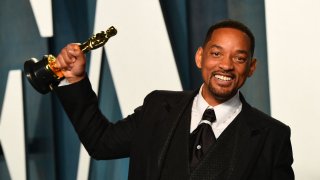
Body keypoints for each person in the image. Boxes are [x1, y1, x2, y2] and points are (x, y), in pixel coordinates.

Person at [54, 19, 294, 180]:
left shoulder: (272, 137)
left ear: (251, 67)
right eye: (216, 53)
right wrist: (75, 80)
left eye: (239, 58)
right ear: (200, 57)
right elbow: (101, 142)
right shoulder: (158, 107)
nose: (226, 65)